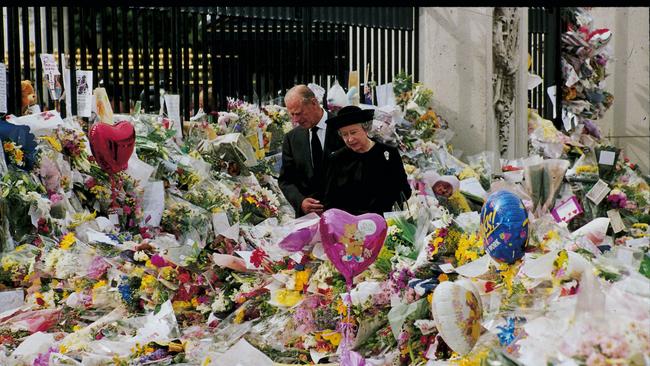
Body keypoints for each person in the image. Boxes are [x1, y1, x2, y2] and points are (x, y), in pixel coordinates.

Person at [323, 105, 411, 215]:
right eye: (345, 134)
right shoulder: (337, 159)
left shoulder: (388, 153)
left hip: (384, 223)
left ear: (365, 129)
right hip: (349, 227)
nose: (350, 139)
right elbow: (330, 200)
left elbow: (405, 191)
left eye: (353, 132)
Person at [279, 85, 345, 217]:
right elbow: (286, 180)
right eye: (292, 114)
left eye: (299, 113)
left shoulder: (343, 129)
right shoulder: (291, 138)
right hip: (309, 220)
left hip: (344, 215)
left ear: (314, 103)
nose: (296, 120)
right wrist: (301, 202)